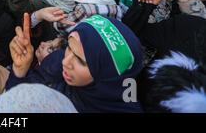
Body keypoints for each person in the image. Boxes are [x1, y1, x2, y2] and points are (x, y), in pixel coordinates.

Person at [7, 14, 144, 113]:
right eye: (68, 47)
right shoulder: (58, 61)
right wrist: (20, 71)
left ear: (109, 76)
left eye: (81, 61)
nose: (66, 62)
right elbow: (19, 99)